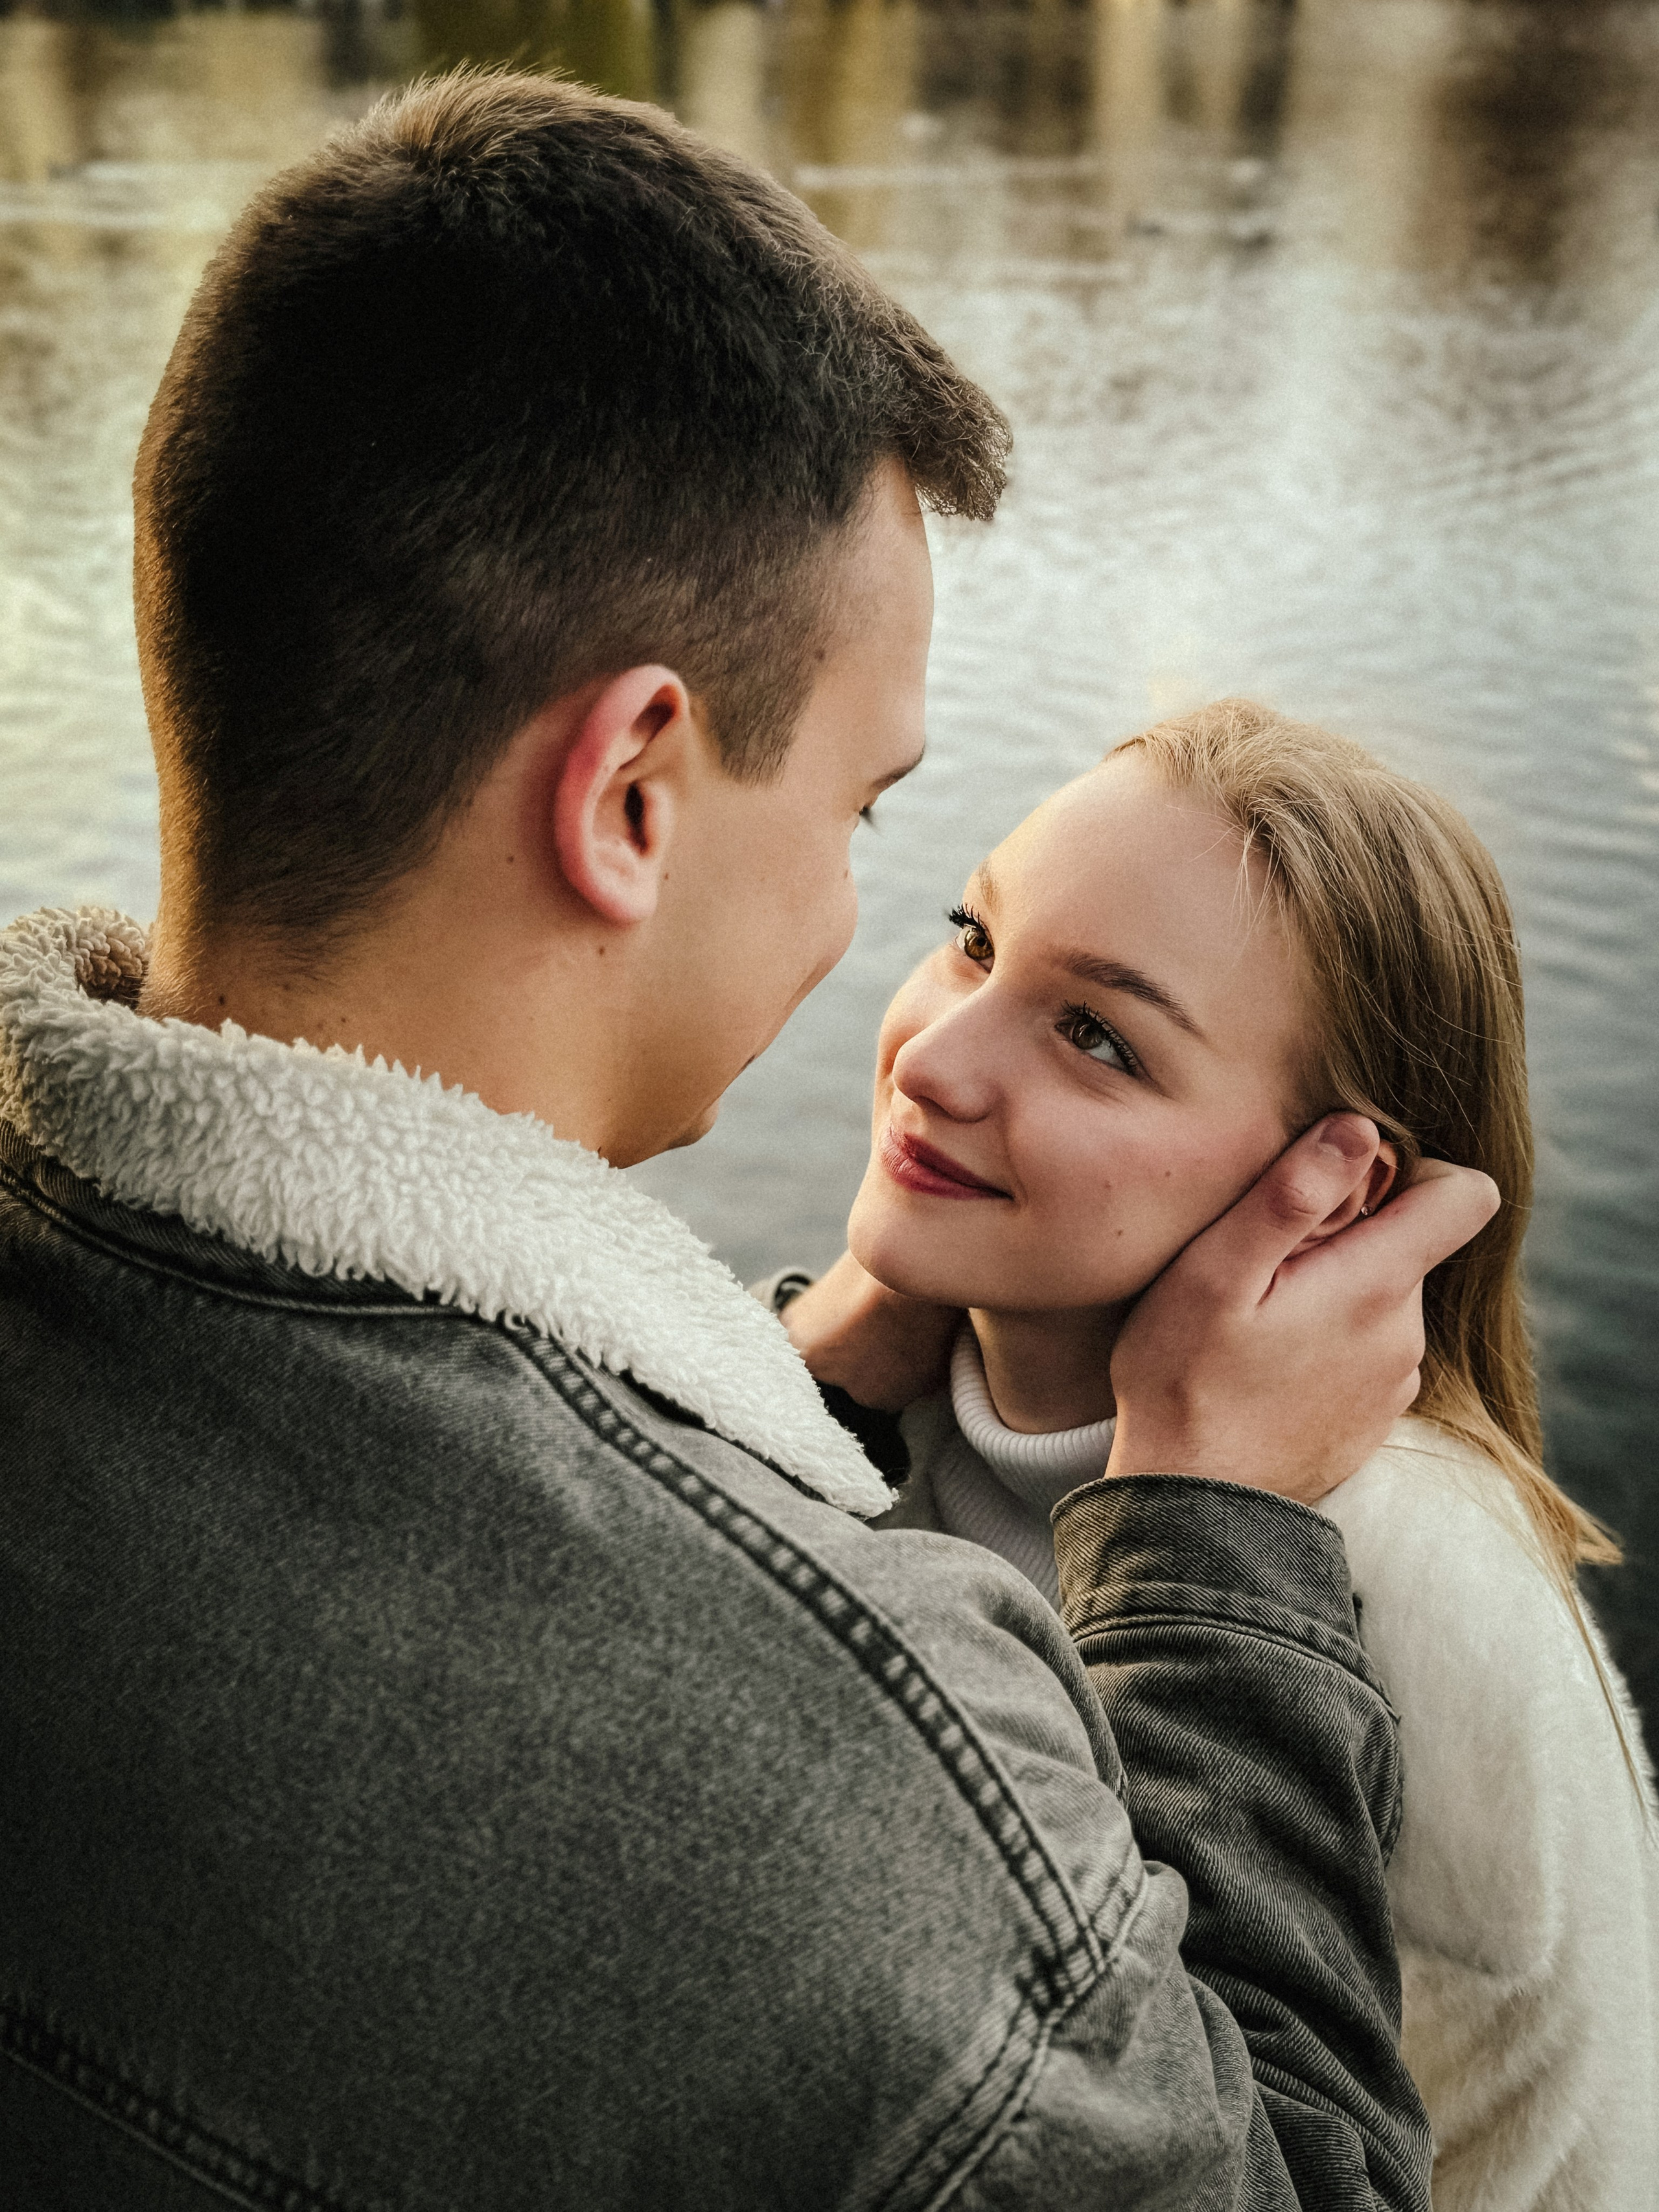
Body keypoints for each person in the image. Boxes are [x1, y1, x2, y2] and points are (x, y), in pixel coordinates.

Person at [0, 73, 1497, 2211]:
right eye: (865, 816)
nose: (866, 941)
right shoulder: (871, 1780)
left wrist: (787, 1394)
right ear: (629, 794)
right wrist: (1216, 1540)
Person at [778, 699, 1659, 2211]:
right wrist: (797, 1390)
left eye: (1097, 1037)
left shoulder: (1411, 1584)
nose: (934, 1058)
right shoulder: (884, 1387)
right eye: (974, 940)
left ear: (1327, 1192)